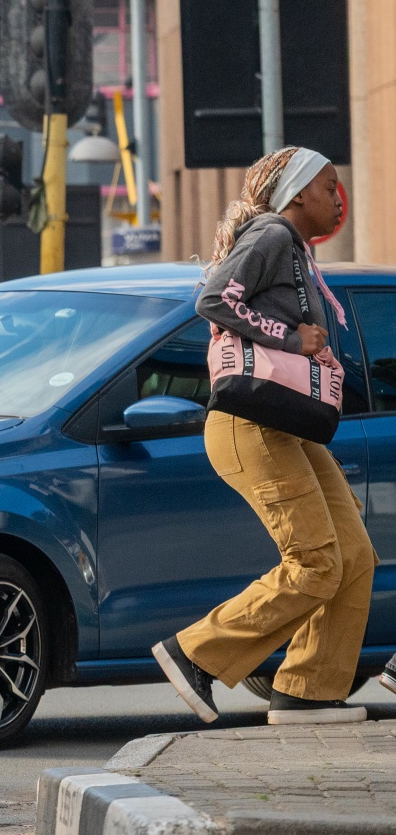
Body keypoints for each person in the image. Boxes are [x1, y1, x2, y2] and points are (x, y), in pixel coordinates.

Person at [154, 146, 378, 727]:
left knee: (353, 555)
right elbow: (214, 299)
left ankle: (309, 691)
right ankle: (196, 653)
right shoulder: (273, 235)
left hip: (288, 426)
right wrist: (290, 338)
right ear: (298, 192)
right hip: (251, 424)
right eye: (330, 186)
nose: (338, 199)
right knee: (314, 561)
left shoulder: (295, 250)